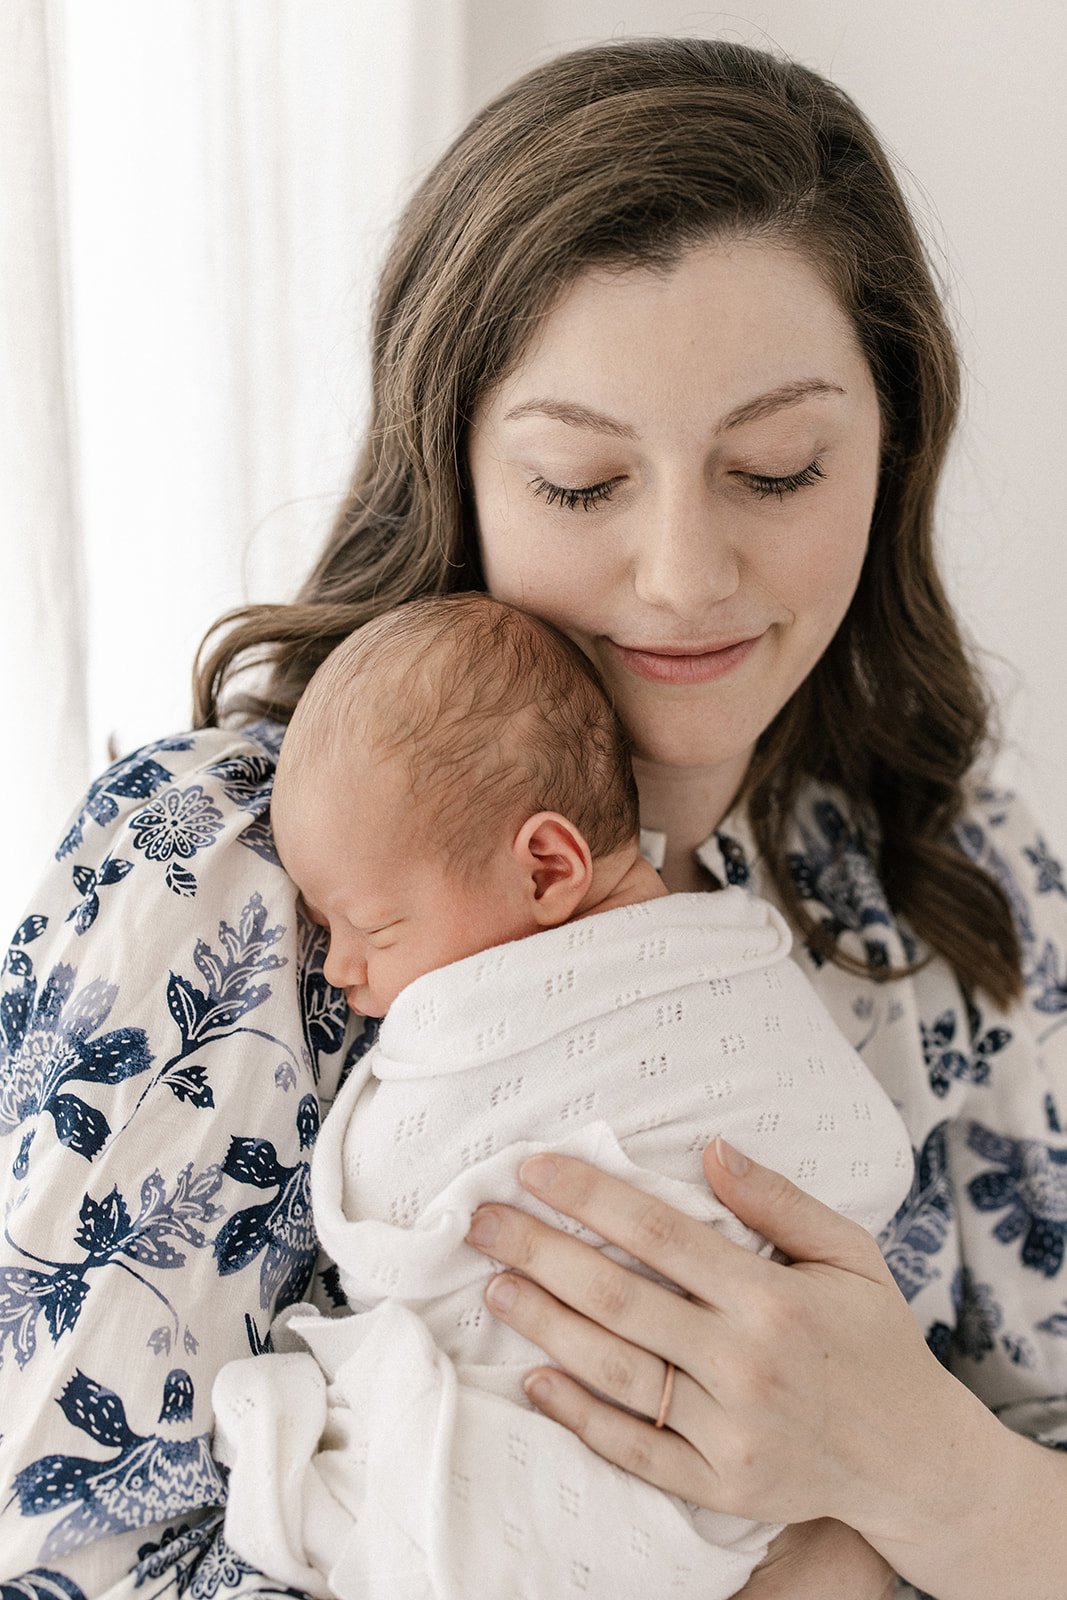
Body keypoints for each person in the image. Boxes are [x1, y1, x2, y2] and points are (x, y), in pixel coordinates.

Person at [1, 32, 1065, 1600]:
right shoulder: (232, 872)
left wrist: (930, 1479)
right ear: (459, 463)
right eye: (580, 484)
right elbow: (57, 1555)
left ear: (887, 450)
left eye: (776, 468)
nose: (685, 574)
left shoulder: (933, 865)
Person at [210, 590, 913, 1597]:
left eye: (368, 925)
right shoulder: (740, 951)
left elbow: (390, 1215)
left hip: (722, 1463)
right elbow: (859, 1143)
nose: (336, 969)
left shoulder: (719, 966)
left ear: (546, 866)